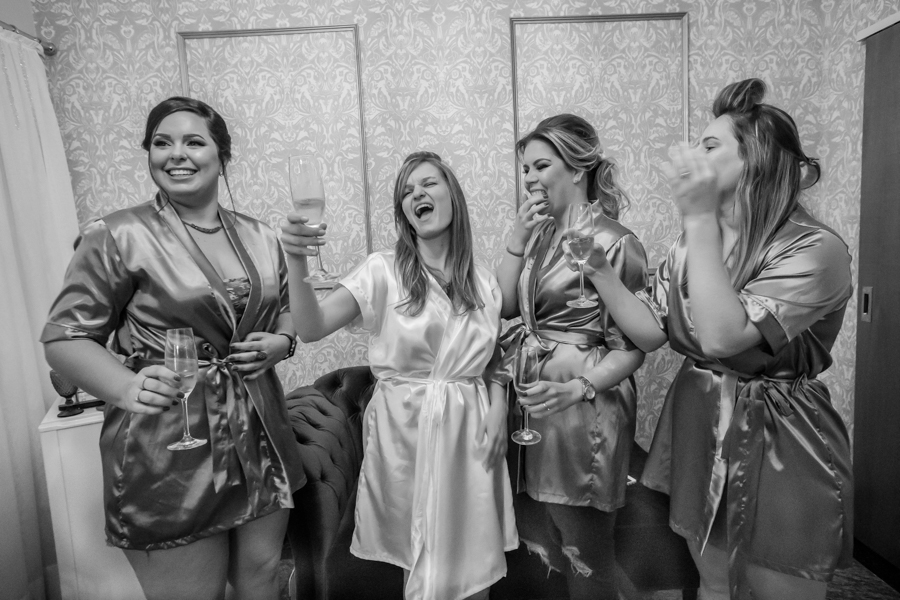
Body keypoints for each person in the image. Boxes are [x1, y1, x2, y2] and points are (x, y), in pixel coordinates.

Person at [581, 78, 854, 600]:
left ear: (757, 160)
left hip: (780, 431)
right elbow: (651, 332)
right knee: (710, 579)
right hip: (701, 417)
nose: (695, 156)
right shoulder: (692, 245)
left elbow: (723, 337)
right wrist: (599, 271)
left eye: (710, 145)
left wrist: (699, 218)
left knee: (778, 583)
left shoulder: (816, 248)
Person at [41, 97, 304, 600]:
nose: (176, 154)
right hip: (171, 439)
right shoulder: (117, 235)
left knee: (262, 575)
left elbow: (288, 308)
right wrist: (126, 386)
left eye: (193, 141)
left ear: (222, 156)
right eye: (162, 143)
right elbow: (64, 338)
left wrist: (283, 341)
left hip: (259, 425)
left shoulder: (260, 235)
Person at [281, 151, 518, 600]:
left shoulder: (483, 280)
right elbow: (310, 328)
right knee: (420, 550)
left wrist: (498, 406)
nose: (417, 194)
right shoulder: (382, 270)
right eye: (407, 191)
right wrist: (296, 260)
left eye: (428, 184)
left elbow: (490, 356)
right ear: (404, 213)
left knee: (475, 558)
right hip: (404, 429)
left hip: (470, 428)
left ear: (453, 195)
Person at [496, 114, 648, 600]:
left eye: (541, 165)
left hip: (585, 406)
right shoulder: (540, 236)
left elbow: (635, 345)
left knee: (585, 547)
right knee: (546, 538)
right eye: (525, 168)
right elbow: (506, 307)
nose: (529, 178)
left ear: (578, 168)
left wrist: (581, 387)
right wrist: (516, 241)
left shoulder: (616, 242)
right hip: (534, 400)